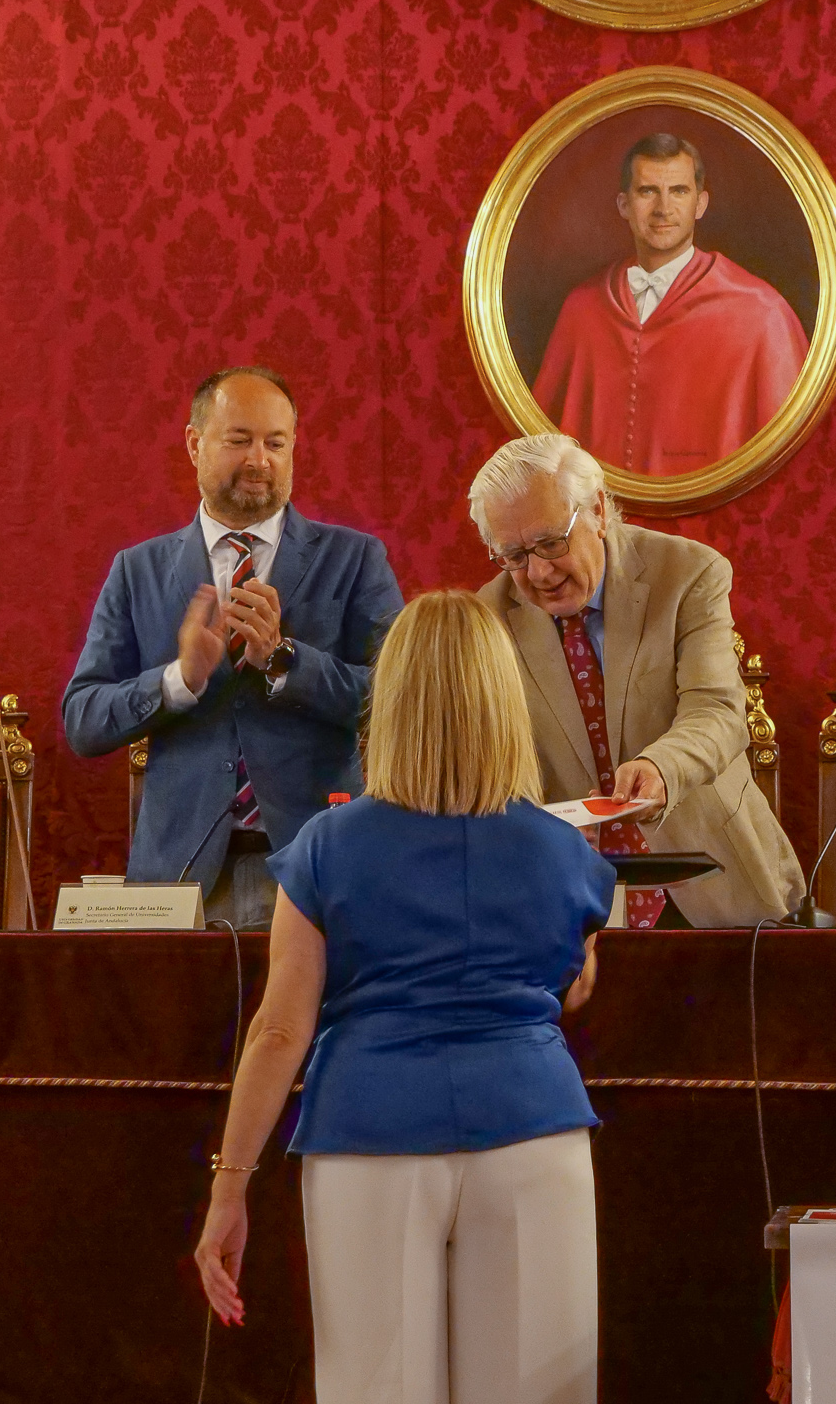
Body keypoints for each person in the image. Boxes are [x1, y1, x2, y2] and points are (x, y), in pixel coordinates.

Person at [194, 590, 611, 1404]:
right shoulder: (566, 851)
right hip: (532, 1130)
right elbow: (570, 986)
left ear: (392, 702)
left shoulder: (327, 845)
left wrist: (230, 1184)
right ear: (505, 700)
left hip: (369, 1132)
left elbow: (280, 1031)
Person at [62, 367, 402, 927]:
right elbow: (83, 720)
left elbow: (401, 699)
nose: (259, 460)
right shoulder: (137, 570)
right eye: (240, 440)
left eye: (276, 443)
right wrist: (180, 680)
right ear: (194, 444)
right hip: (178, 877)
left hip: (317, 865)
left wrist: (287, 661)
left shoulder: (355, 559)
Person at [469, 433, 804, 926]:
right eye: (515, 555)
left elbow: (717, 711)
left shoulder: (688, 573)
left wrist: (663, 768)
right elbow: (485, 757)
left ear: (598, 511)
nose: (538, 572)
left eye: (551, 543)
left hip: (709, 874)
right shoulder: (488, 616)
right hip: (568, 894)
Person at [532, 133, 809, 476]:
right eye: (648, 191)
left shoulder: (762, 314)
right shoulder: (582, 308)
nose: (663, 208)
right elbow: (541, 452)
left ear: (700, 204)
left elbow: (789, 461)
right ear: (623, 205)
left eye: (678, 191)